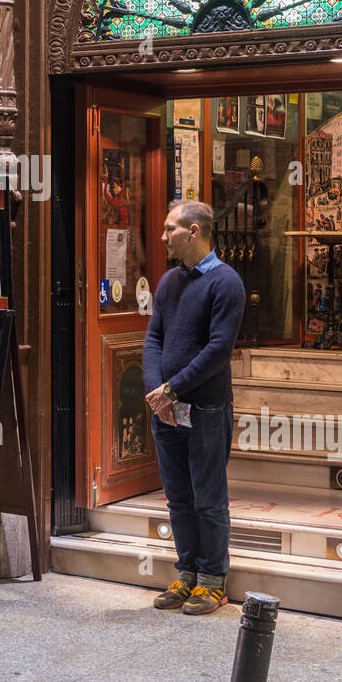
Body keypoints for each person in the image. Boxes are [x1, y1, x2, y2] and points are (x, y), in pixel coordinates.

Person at [143, 201, 246, 615]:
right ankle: (185, 574)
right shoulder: (168, 281)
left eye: (170, 229)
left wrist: (174, 388)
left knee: (208, 498)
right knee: (178, 498)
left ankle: (212, 580)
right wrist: (157, 393)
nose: (163, 237)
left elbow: (219, 349)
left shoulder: (226, 283)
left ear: (195, 230)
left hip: (205, 408)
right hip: (167, 409)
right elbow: (153, 339)